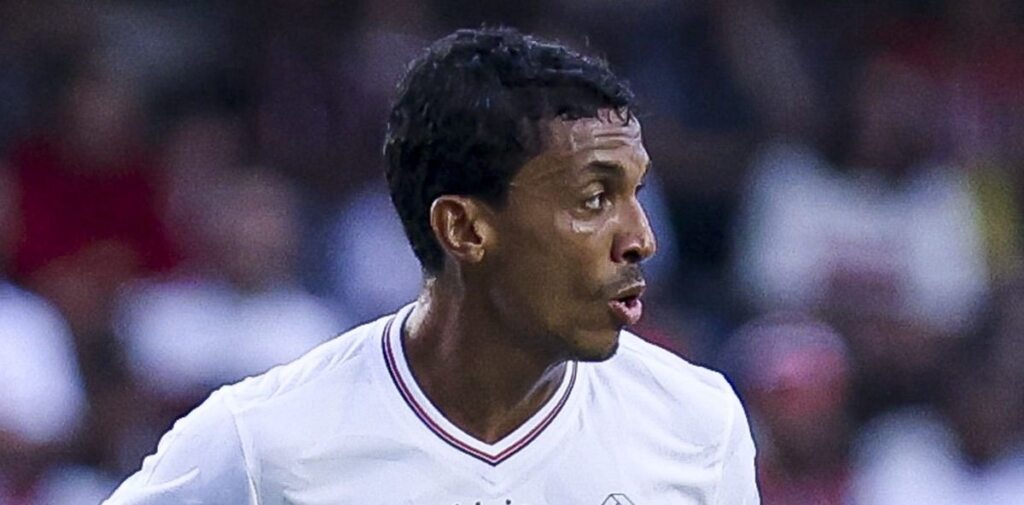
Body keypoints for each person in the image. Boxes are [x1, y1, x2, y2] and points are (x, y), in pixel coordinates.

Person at [104, 27, 760, 504]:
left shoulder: (697, 422)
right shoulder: (258, 442)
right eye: (594, 198)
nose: (641, 238)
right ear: (465, 229)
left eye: (636, 193)